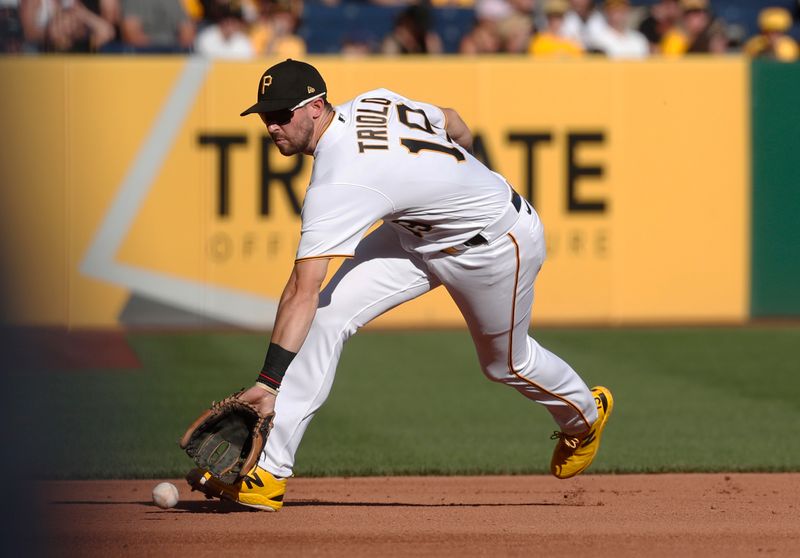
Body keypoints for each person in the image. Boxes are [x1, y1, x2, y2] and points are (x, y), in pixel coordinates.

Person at [188, 59, 615, 511]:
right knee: (327, 318)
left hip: (492, 245)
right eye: (265, 116)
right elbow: (455, 122)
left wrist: (267, 382)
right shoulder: (376, 100)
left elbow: (301, 288)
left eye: (281, 114)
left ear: (315, 107)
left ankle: (585, 415)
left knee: (506, 364)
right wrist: (459, 177)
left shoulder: (341, 178)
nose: (272, 125)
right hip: (417, 233)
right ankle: (269, 475)